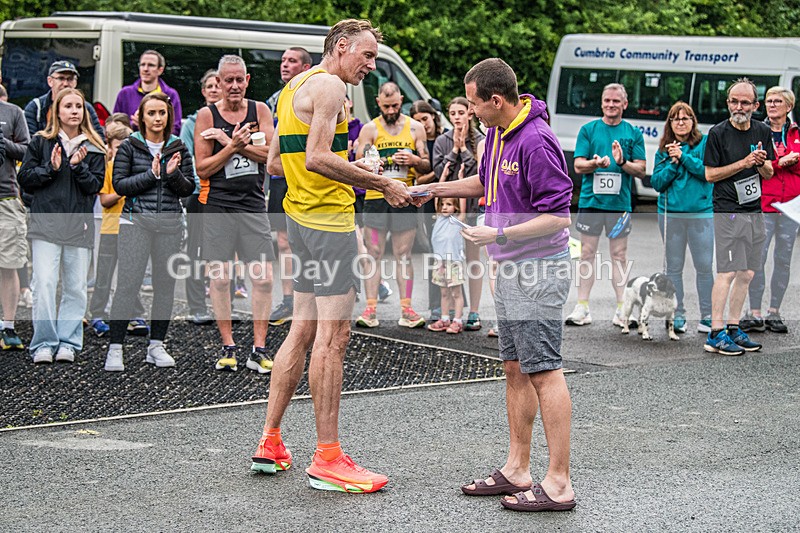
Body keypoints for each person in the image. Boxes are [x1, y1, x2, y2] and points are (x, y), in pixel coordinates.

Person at [251, 19, 413, 493]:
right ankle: (328, 457)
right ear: (341, 47)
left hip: (300, 221)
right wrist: (380, 180)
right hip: (328, 226)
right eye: (366, 55)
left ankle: (271, 441)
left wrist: (354, 165)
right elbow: (319, 157)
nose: (371, 65)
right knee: (333, 338)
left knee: (302, 329)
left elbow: (281, 162)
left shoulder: (292, 87)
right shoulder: (328, 86)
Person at [412, 58, 576, 512]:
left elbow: (559, 215)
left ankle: (559, 482)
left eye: (473, 103)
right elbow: (484, 181)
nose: (469, 111)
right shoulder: (498, 135)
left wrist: (498, 234)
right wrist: (432, 191)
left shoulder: (536, 140)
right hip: (509, 270)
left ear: (495, 100)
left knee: (544, 371)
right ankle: (517, 469)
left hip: (539, 269)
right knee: (515, 369)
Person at [194, 55, 275, 374]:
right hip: (219, 204)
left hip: (253, 202)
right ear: (219, 82)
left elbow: (270, 157)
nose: (234, 86)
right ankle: (228, 346)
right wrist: (233, 147)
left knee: (264, 279)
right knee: (221, 278)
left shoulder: (260, 111)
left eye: (239, 79)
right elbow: (203, 167)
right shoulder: (207, 115)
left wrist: (229, 142)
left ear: (247, 79)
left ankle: (259, 348)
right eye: (228, 80)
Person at [104, 93, 194, 371]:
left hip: (169, 225)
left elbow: (188, 188)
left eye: (162, 113)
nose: (157, 118)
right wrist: (152, 175)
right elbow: (120, 185)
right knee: (128, 285)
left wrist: (171, 173)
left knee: (165, 286)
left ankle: (156, 345)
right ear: (141, 117)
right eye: (151, 113)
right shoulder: (130, 146)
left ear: (169, 116)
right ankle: (115, 348)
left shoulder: (177, 147)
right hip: (136, 223)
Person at [18, 88, 105, 364]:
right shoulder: (41, 142)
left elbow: (95, 186)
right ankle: (43, 342)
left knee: (76, 287)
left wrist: (79, 167)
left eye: (78, 106)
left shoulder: (93, 146)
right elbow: (26, 179)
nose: (74, 111)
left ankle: (68, 341)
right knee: (43, 283)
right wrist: (51, 169)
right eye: (68, 106)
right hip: (46, 224)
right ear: (57, 111)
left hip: (78, 226)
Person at [703, 77, 774, 356]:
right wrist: (744, 163)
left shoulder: (762, 130)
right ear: (728, 102)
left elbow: (769, 172)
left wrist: (761, 164)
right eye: (734, 101)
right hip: (727, 210)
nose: (739, 106)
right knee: (727, 271)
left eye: (745, 102)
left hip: (753, 210)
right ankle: (715, 333)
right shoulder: (718, 133)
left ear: (755, 105)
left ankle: (734, 328)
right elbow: (710, 174)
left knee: (747, 272)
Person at [566, 83, 645, 327]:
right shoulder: (588, 130)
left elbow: (641, 170)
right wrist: (595, 163)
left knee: (619, 255)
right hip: (591, 202)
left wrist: (622, 162)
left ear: (625, 104)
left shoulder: (633, 133)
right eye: (607, 100)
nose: (610, 105)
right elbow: (578, 165)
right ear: (601, 103)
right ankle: (582, 308)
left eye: (615, 101)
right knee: (587, 254)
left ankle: (622, 309)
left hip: (619, 204)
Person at [355, 81, 431, 329]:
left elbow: (427, 165)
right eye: (386, 106)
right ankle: (370, 309)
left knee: (403, 255)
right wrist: (386, 160)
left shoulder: (415, 128)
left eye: (395, 105)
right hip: (377, 198)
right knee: (373, 254)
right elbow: (359, 165)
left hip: (404, 197)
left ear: (401, 102)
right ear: (378, 103)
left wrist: (413, 159)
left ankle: (407, 309)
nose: (390, 110)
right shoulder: (369, 129)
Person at [739, 86, 800, 334]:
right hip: (762, 205)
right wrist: (779, 162)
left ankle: (774, 312)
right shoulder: (756, 131)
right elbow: (749, 166)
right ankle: (754, 312)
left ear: (789, 106)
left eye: (777, 101)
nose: (771, 105)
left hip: (789, 207)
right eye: (768, 101)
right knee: (758, 259)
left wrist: (788, 164)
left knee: (783, 260)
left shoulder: (796, 133)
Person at [650, 102, 713, 334]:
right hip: (671, 215)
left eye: (685, 118)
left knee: (704, 266)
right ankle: (678, 313)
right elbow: (656, 183)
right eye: (675, 119)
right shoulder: (663, 150)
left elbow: (707, 172)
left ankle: (708, 315)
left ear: (693, 121)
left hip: (701, 214)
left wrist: (683, 157)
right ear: (670, 123)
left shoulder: (704, 143)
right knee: (674, 267)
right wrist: (673, 164)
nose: (680, 122)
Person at [86, 122, 148, 338]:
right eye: (118, 148)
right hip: (110, 230)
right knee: (104, 275)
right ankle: (98, 315)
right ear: (109, 148)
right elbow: (104, 200)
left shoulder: (139, 169)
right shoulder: (109, 168)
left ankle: (134, 315)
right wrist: (125, 189)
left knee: (131, 276)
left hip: (133, 230)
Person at [266, 47, 312, 326]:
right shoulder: (275, 99)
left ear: (305, 66)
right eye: (283, 61)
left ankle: (310, 298)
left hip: (307, 177)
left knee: (308, 242)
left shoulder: (314, 93)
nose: (284, 65)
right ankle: (287, 301)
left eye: (291, 61)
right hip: (280, 178)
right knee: (283, 243)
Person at [433, 96, 486, 330]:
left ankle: (473, 311)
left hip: (472, 209)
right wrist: (453, 150)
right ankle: (449, 312)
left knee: (473, 261)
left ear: (470, 114)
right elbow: (438, 171)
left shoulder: (482, 140)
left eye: (461, 113)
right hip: (447, 211)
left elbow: (480, 172)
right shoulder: (442, 141)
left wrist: (464, 149)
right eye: (452, 113)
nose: (456, 117)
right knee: (447, 260)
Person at [179, 69, 221, 326]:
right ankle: (197, 306)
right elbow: (188, 159)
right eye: (210, 86)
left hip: (225, 196)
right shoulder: (191, 124)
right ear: (204, 91)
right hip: (198, 193)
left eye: (218, 85)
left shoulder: (234, 120)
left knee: (221, 253)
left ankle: (221, 306)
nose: (215, 89)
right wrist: (199, 184)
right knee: (196, 251)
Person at [0, 93, 30, 351]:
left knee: (8, 264)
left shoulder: (13, 112)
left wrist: (5, 145)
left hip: (6, 197)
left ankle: (8, 326)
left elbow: (27, 150)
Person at [409, 100, 442, 319]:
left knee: (452, 254)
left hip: (448, 201)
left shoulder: (444, 138)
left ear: (433, 117)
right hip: (427, 202)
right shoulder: (416, 144)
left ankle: (455, 302)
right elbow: (419, 178)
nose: (423, 125)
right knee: (434, 251)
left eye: (425, 119)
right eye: (418, 121)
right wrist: (436, 174)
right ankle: (435, 305)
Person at [24, 60, 104, 140]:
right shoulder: (36, 107)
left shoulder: (86, 108)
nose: (66, 84)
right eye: (61, 78)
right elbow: (29, 143)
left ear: (76, 82)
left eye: (70, 79)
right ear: (50, 81)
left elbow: (99, 139)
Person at [113, 50, 182, 134]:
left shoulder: (171, 95)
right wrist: (133, 124)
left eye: (151, 65)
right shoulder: (124, 93)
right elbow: (115, 126)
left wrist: (147, 125)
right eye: (142, 65)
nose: (145, 69)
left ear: (160, 70)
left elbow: (176, 129)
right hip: (130, 145)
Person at [426, 197, 466, 334]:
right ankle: (445, 319)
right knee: (443, 293)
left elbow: (463, 205)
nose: (444, 207)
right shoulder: (438, 218)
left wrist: (461, 182)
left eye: (449, 204)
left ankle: (458, 321)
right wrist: (442, 178)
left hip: (453, 262)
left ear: (456, 207)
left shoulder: (458, 220)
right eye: (442, 204)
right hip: (440, 262)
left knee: (456, 293)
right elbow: (436, 195)